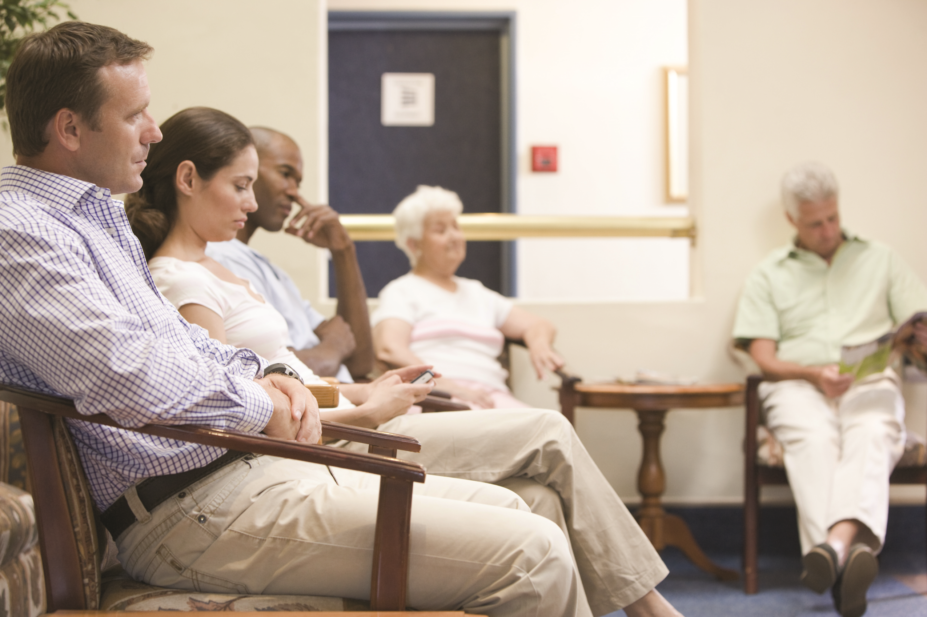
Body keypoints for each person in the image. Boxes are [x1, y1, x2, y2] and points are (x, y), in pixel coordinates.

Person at [0, 22, 679, 617]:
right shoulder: (21, 232)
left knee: (525, 511)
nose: (152, 129)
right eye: (135, 115)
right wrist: (266, 397)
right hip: (185, 508)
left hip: (231, 468)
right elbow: (132, 375)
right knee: (533, 551)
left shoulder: (88, 218)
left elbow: (180, 345)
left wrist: (267, 374)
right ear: (68, 128)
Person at [129, 111, 682, 617]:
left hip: (323, 427)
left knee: (534, 497)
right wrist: (366, 413)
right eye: (240, 186)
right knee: (546, 432)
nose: (251, 203)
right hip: (295, 454)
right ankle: (647, 605)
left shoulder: (225, 270)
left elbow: (281, 380)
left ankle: (637, 602)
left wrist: (364, 390)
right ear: (187, 180)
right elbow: (235, 417)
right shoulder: (181, 278)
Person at [733, 161, 927, 617]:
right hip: (798, 385)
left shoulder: (880, 259)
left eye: (833, 218)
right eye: (815, 222)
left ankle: (833, 551)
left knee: (874, 429)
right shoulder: (768, 274)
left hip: (869, 380)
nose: (828, 230)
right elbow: (763, 356)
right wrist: (812, 374)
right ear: (791, 221)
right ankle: (848, 563)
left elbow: (916, 326)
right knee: (814, 440)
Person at [205, 126, 372, 383]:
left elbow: (359, 362)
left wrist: (343, 251)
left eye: (298, 182)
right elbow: (267, 369)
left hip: (350, 403)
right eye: (285, 174)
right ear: (247, 170)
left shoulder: (269, 270)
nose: (295, 192)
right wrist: (333, 348)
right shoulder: (218, 257)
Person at [373, 185, 564, 409]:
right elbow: (389, 348)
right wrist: (448, 386)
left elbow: (539, 324)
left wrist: (539, 343)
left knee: (553, 426)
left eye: (455, 226)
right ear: (414, 245)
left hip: (491, 398)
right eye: (440, 230)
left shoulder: (477, 292)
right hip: (436, 400)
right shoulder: (402, 291)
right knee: (545, 429)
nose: (454, 236)